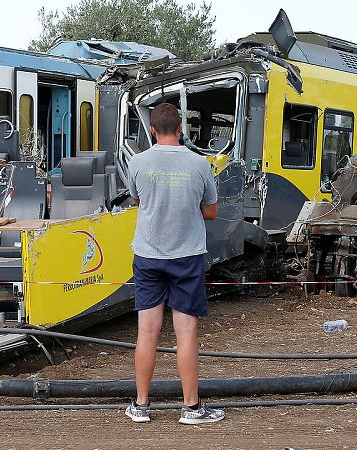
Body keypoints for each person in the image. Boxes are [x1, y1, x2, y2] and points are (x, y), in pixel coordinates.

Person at [123, 102, 224, 425]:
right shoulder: (200, 164)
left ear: (152, 130)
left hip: (148, 256)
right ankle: (191, 408)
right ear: (181, 129)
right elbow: (211, 213)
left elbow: (138, 200)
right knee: (186, 334)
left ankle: (140, 406)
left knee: (146, 332)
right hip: (186, 257)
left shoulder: (137, 162)